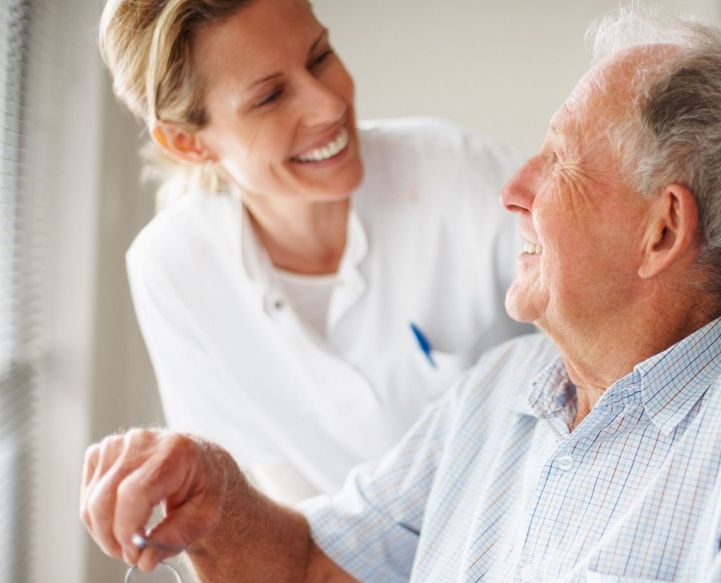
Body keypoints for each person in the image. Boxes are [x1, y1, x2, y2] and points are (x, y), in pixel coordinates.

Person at [82, 9, 721, 583]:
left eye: (558, 159)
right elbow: (300, 569)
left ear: (661, 230)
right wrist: (217, 501)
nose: (514, 188)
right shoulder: (500, 391)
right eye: (269, 93)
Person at [99, 0, 531, 505]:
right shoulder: (172, 269)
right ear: (187, 143)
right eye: (271, 96)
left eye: (320, 56)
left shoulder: (460, 175)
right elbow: (253, 502)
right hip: (347, 570)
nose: (329, 104)